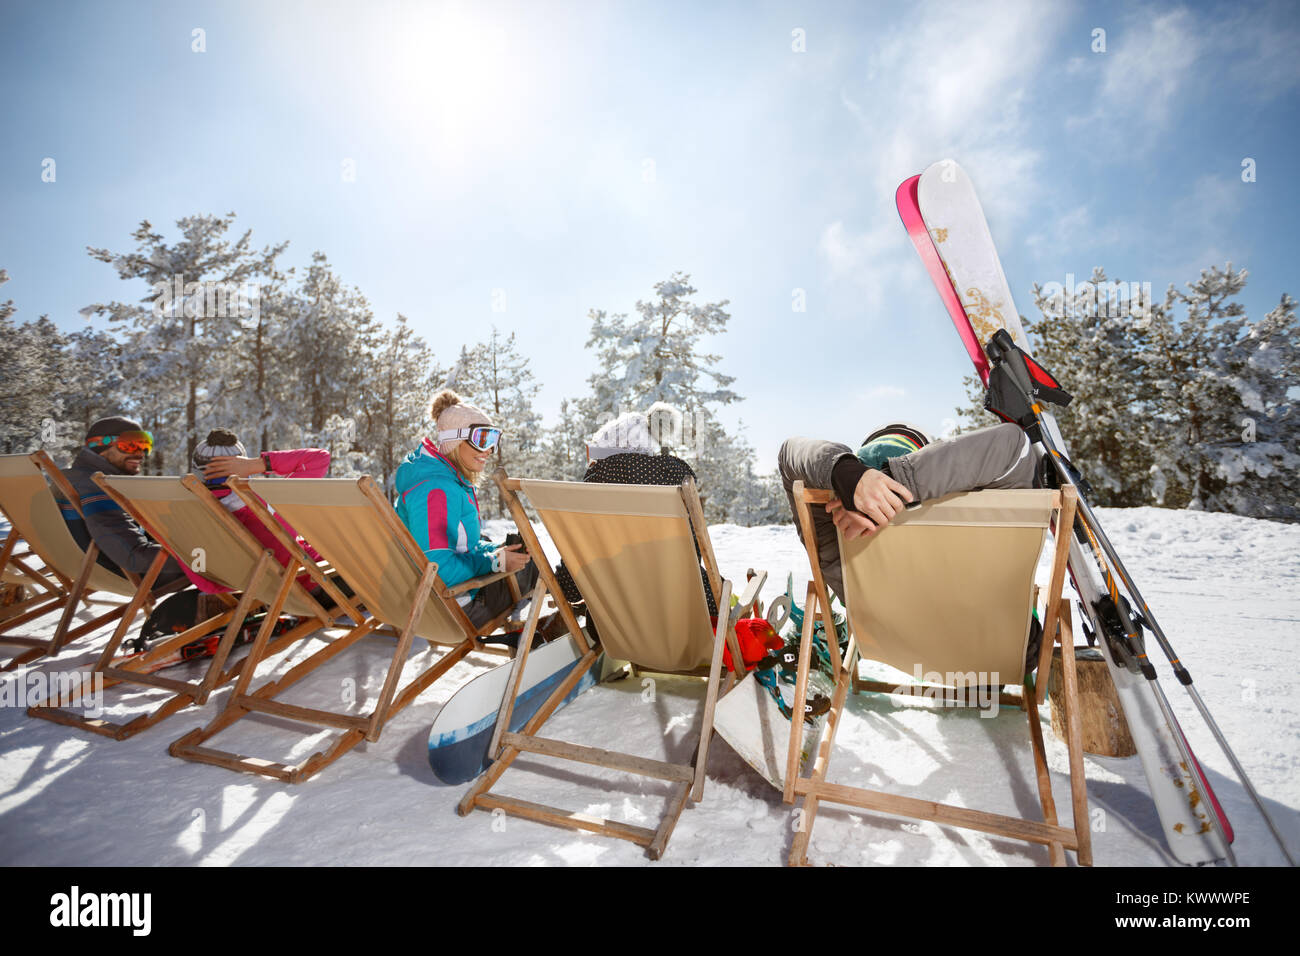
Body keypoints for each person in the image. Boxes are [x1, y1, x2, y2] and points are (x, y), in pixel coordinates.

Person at [778, 421, 1036, 604]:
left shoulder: (840, 547)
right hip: (993, 633)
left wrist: (847, 476)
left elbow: (789, 452)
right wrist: (901, 483)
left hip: (894, 640)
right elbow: (1015, 444)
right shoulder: (970, 520)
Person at [553, 409, 718, 618]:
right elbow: (694, 554)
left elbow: (571, 587)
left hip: (621, 624)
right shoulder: (675, 485)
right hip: (689, 611)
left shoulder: (592, 496)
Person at [394, 390, 536, 631]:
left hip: (437, 604)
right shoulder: (436, 489)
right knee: (533, 566)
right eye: (482, 438)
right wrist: (496, 562)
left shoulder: (438, 479)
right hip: (457, 609)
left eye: (493, 440)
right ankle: (540, 641)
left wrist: (495, 552)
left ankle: (533, 632)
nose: (490, 449)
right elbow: (438, 569)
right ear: (455, 439)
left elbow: (458, 546)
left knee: (496, 544)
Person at [186, 428, 332, 594]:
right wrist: (257, 464)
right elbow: (319, 458)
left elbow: (209, 585)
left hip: (262, 591)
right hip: (317, 583)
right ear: (242, 469)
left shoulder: (187, 517)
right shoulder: (267, 503)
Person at [58, 416, 188, 588]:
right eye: (130, 445)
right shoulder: (96, 485)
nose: (141, 454)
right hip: (132, 573)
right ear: (100, 446)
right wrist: (201, 558)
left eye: (144, 445)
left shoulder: (71, 477)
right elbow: (133, 555)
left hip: (85, 568)